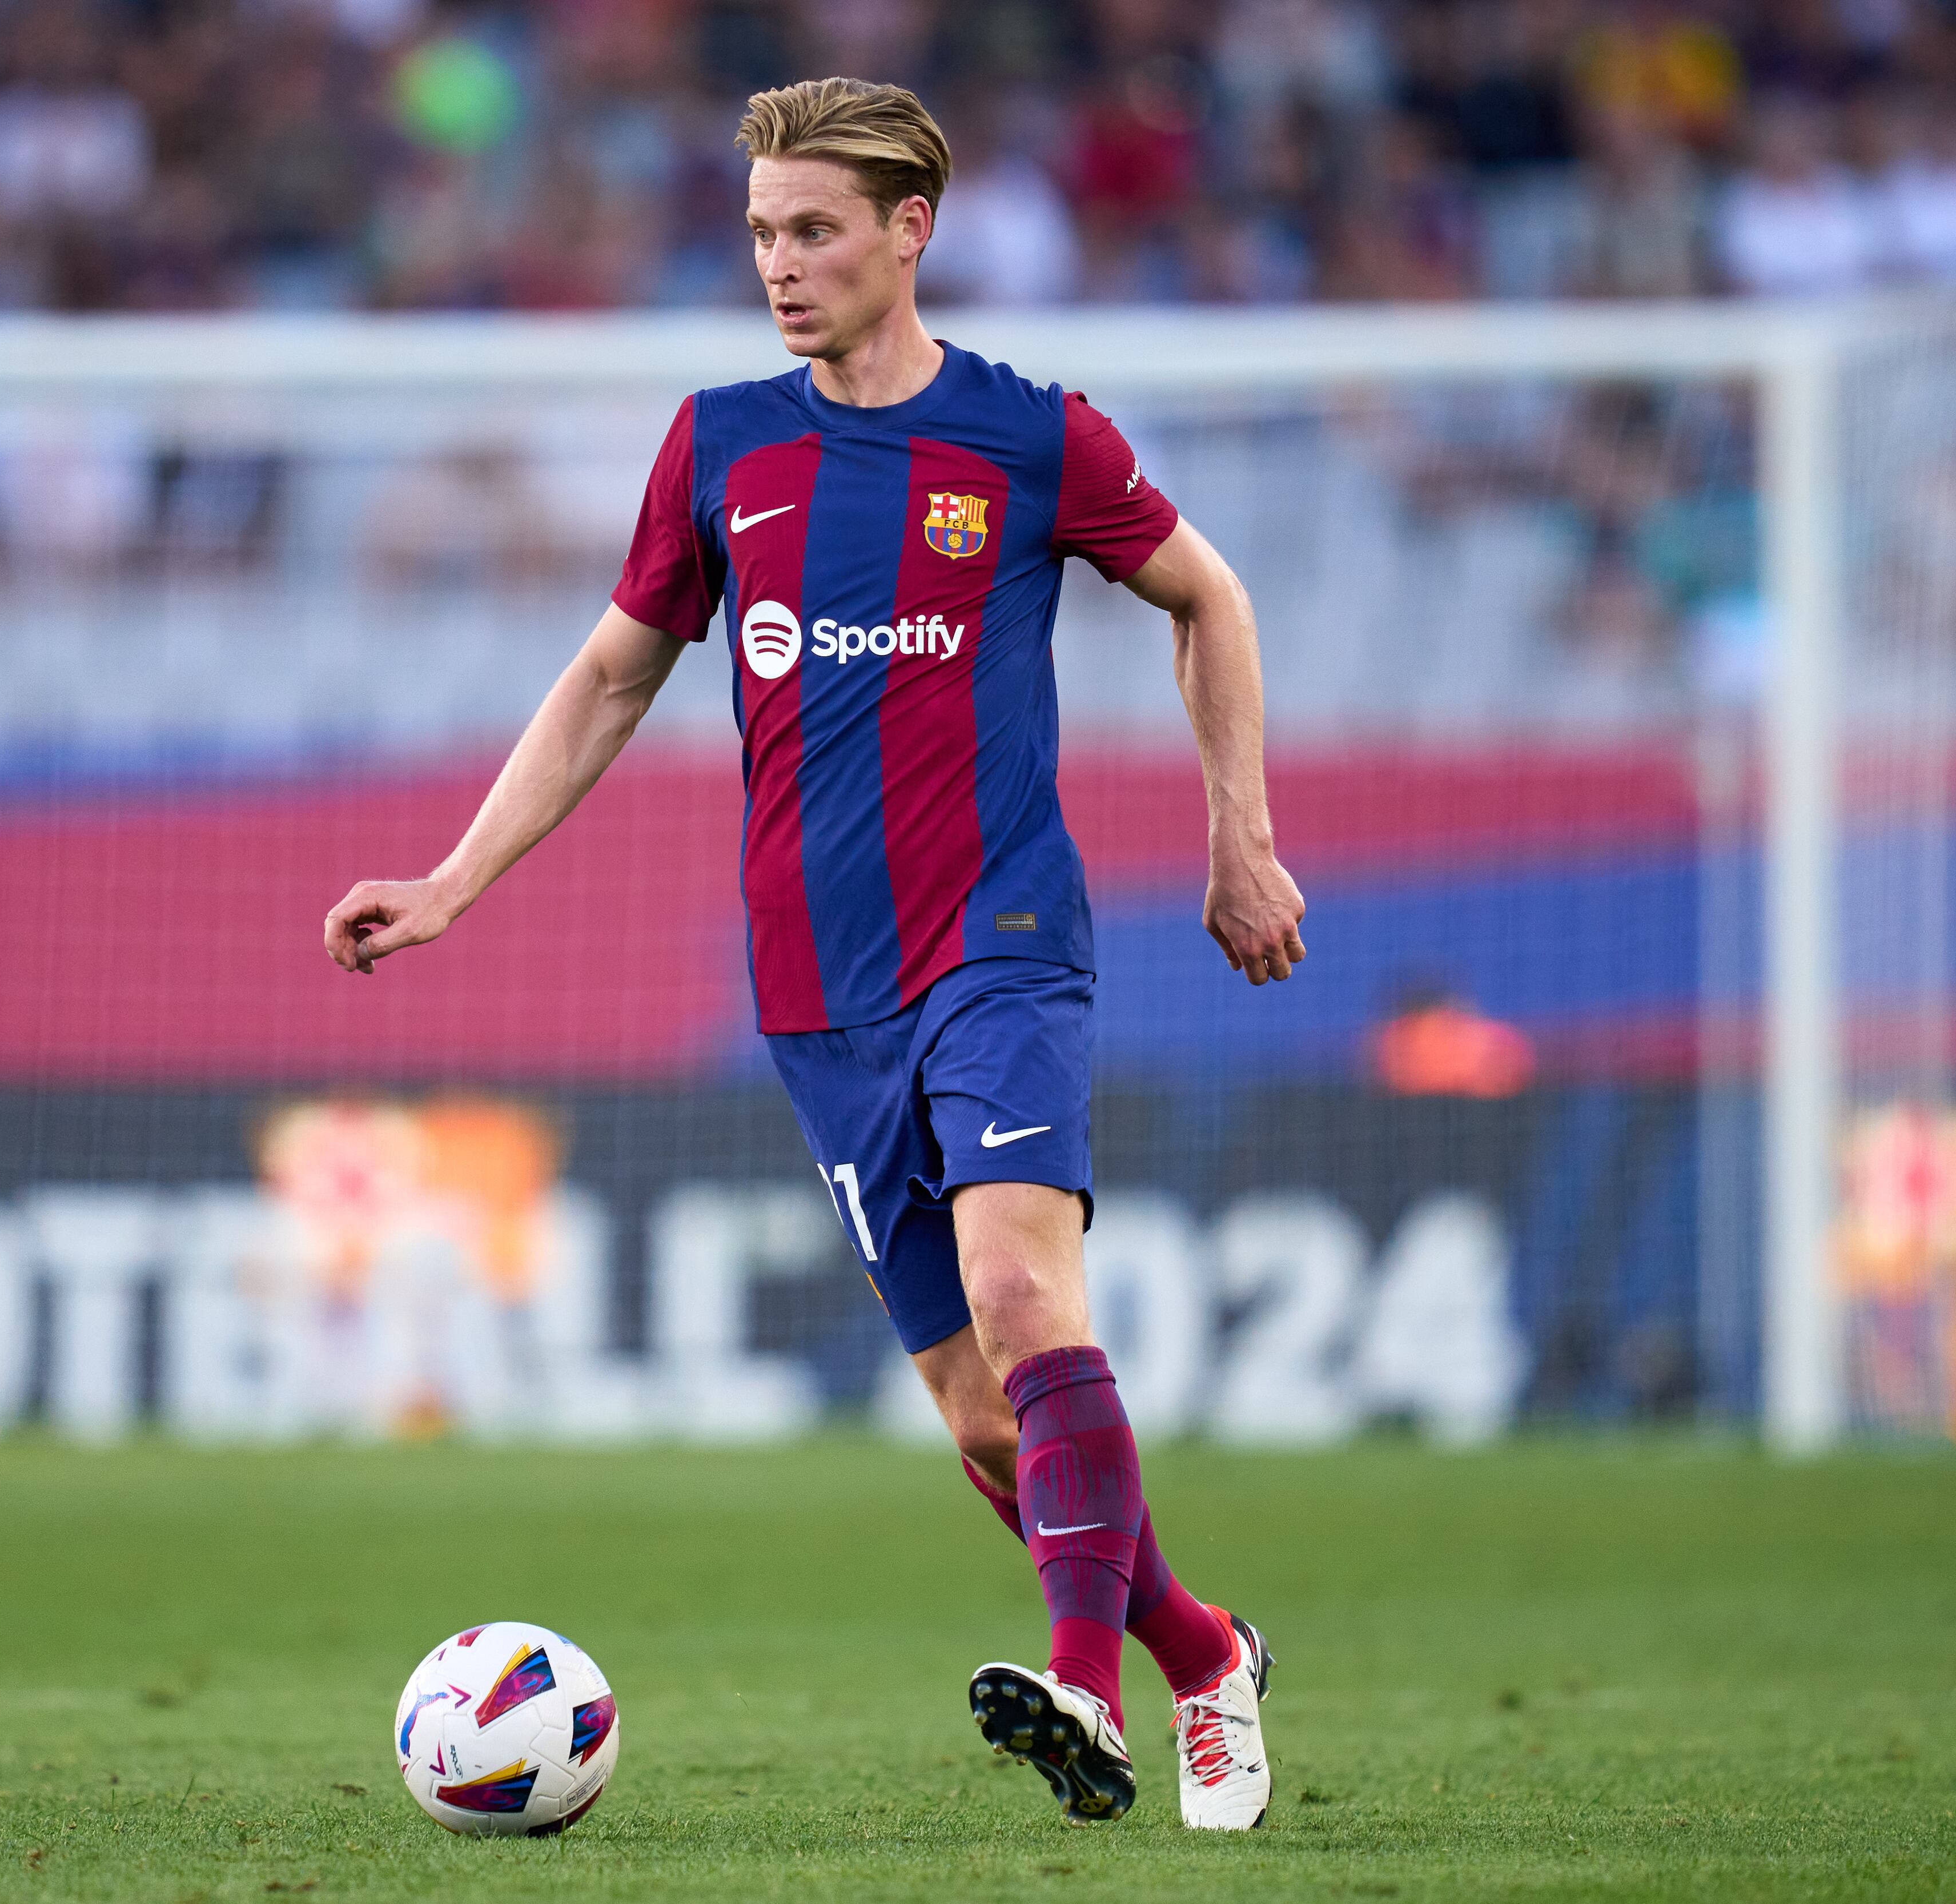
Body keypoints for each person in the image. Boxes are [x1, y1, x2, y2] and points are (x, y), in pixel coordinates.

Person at [320, 77, 1308, 1830]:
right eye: (764, 231)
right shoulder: (719, 447)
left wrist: (1241, 833)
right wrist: (459, 880)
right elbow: (615, 675)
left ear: (908, 233)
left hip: (1003, 944)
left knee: (1025, 1303)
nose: (780, 264)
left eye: (816, 232)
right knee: (986, 1428)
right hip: (815, 987)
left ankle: (1081, 1694)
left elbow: (1207, 601)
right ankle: (1203, 1652)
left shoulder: (1031, 437)